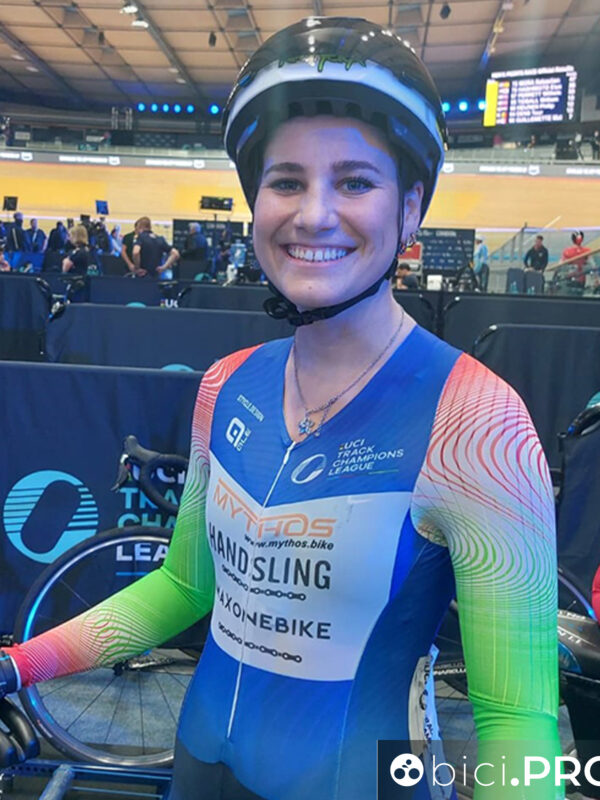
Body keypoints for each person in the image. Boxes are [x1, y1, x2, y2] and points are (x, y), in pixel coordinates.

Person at [0, 18, 561, 800]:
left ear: (412, 206)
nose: (314, 214)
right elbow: (182, 588)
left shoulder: (479, 424)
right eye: (287, 181)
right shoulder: (225, 385)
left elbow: (518, 722)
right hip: (199, 771)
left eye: (355, 182)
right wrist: (16, 665)